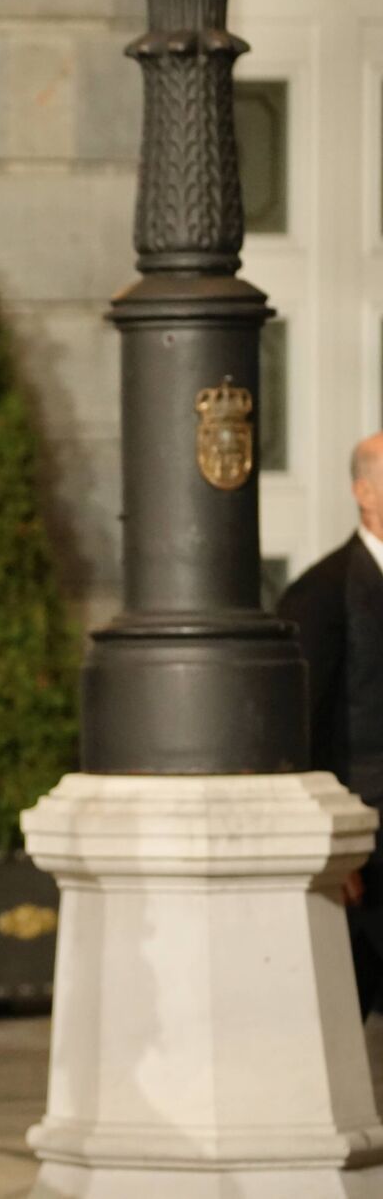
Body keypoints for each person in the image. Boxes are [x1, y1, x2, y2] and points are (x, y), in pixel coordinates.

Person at [278, 431, 383, 1017]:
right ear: (363, 492)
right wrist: (330, 845)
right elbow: (300, 725)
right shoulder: (322, 593)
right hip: (368, 848)